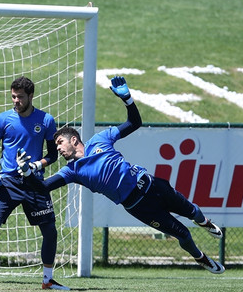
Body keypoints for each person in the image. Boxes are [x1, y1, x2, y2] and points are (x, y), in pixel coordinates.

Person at [16, 76, 225, 274]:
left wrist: (127, 99)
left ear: (74, 139)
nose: (58, 149)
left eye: (60, 143)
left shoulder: (100, 139)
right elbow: (43, 187)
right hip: (139, 206)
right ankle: (201, 258)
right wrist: (27, 172)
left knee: (193, 211)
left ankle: (204, 222)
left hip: (152, 185)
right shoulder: (72, 171)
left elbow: (134, 123)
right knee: (183, 234)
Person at [0, 76, 68, 291]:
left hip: (34, 183)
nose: (16, 101)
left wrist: (37, 165)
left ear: (31, 96)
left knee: (50, 231)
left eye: (20, 97)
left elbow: (53, 155)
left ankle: (47, 280)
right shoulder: (3, 119)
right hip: (7, 182)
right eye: (13, 97)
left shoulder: (46, 120)